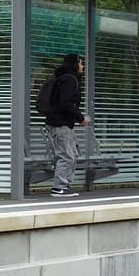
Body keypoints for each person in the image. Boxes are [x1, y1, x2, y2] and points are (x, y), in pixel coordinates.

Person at [44, 53, 88, 198]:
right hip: (60, 124)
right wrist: (81, 118)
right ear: (74, 64)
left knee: (71, 154)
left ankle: (64, 185)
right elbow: (66, 103)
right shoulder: (69, 80)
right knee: (67, 156)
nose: (82, 66)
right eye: (81, 63)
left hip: (60, 123)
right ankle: (59, 187)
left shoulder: (64, 78)